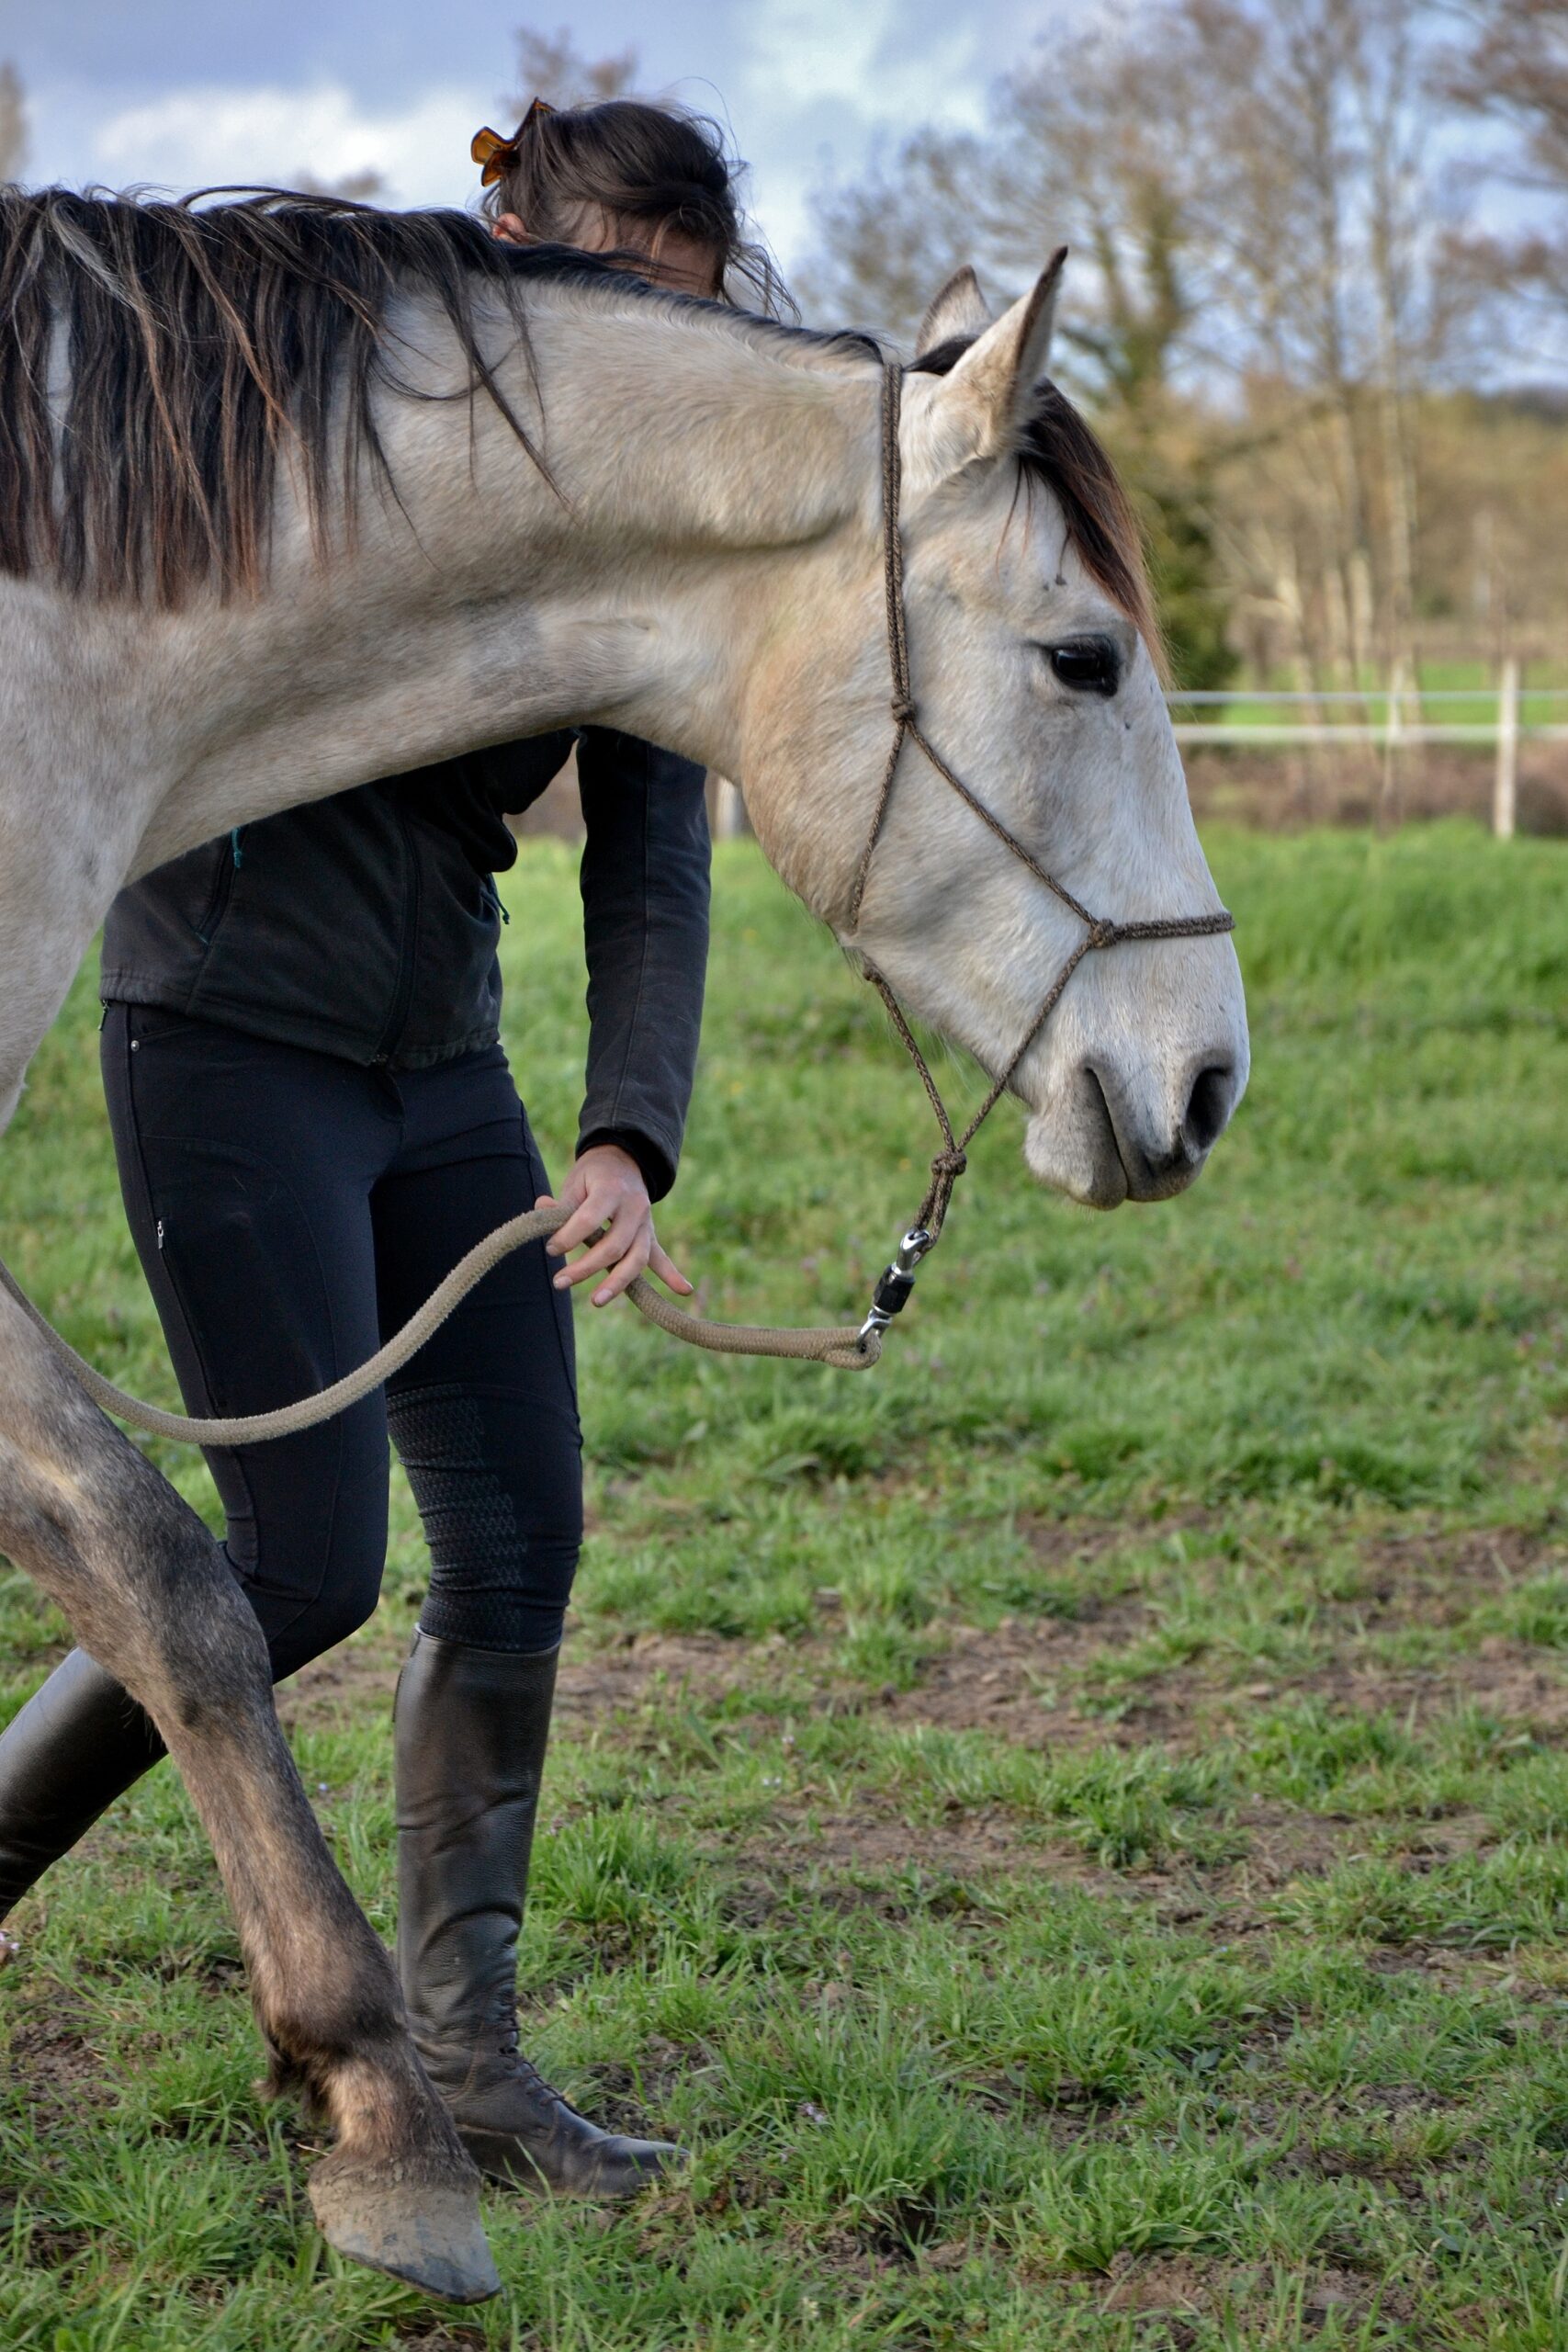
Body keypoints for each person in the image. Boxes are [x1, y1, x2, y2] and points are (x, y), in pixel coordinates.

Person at [0, 96, 773, 2200]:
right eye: (618, 312)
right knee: (307, 1563)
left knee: (520, 1530)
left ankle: (475, 2064)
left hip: (443, 1063)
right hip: (227, 1038)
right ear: (510, 246)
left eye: (687, 332)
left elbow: (651, 855)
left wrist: (630, 1130)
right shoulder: (317, 416)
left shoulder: (627, 531)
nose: (651, 371)